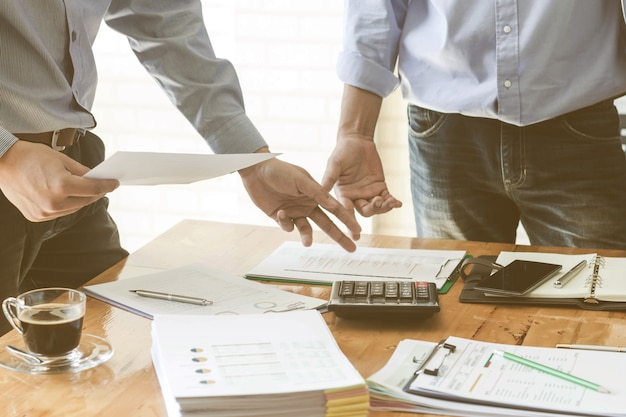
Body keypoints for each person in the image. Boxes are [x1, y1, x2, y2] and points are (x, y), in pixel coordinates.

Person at [0, 1, 361, 334]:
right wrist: (6, 155)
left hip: (75, 165)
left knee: (110, 338)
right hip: (9, 167)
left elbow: (166, 25)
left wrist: (251, 157)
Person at [322, 0, 626, 249]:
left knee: (600, 302)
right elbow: (375, 7)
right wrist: (355, 132)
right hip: (444, 136)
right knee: (453, 305)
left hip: (577, 127)